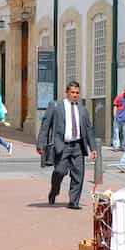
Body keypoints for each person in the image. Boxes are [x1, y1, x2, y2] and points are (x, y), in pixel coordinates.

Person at [36, 80, 97, 209]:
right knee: (60, 171)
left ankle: (73, 202)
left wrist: (93, 148)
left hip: (78, 146)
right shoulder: (56, 106)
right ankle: (54, 190)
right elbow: (45, 126)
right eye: (72, 92)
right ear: (67, 93)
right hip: (62, 145)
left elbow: (88, 129)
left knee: (78, 174)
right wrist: (41, 143)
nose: (75, 95)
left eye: (77, 93)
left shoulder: (82, 109)